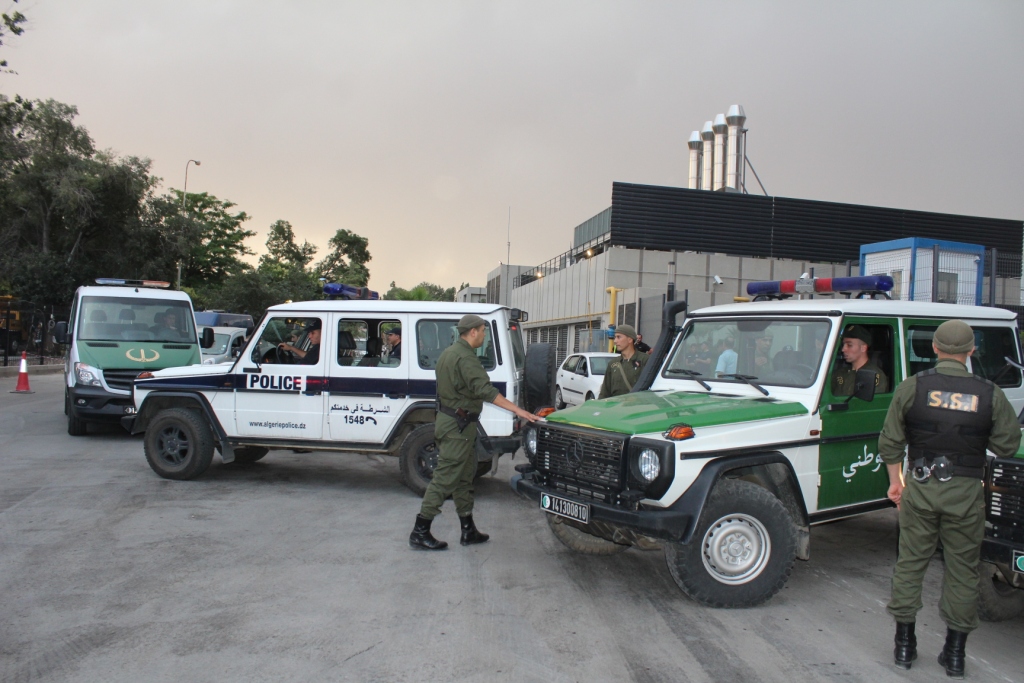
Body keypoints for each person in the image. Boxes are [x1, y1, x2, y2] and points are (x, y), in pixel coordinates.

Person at [879, 320, 1020, 677]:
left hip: (921, 489)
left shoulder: (913, 387)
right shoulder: (989, 393)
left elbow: (890, 442)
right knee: (963, 571)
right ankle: (954, 656)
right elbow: (1006, 445)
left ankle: (904, 649)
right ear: (971, 351)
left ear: (936, 349)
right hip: (967, 495)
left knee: (910, 565)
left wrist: (896, 483)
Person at [410, 315, 540, 551]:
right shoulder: (465, 358)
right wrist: (520, 411)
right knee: (445, 477)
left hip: (457, 423)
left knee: (463, 477)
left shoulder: (449, 353)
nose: (484, 335)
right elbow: (486, 391)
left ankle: (468, 530)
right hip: (457, 427)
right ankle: (420, 530)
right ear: (472, 332)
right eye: (482, 331)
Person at [831, 325, 888, 395]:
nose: (843, 349)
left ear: (863, 348)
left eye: (849, 345)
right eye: (843, 345)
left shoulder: (874, 375)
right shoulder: (840, 373)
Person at [598, 324, 649, 399]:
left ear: (630, 339)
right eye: (615, 337)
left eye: (619, 337)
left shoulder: (645, 360)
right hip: (616, 408)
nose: (615, 341)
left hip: (637, 408)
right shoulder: (613, 364)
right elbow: (605, 392)